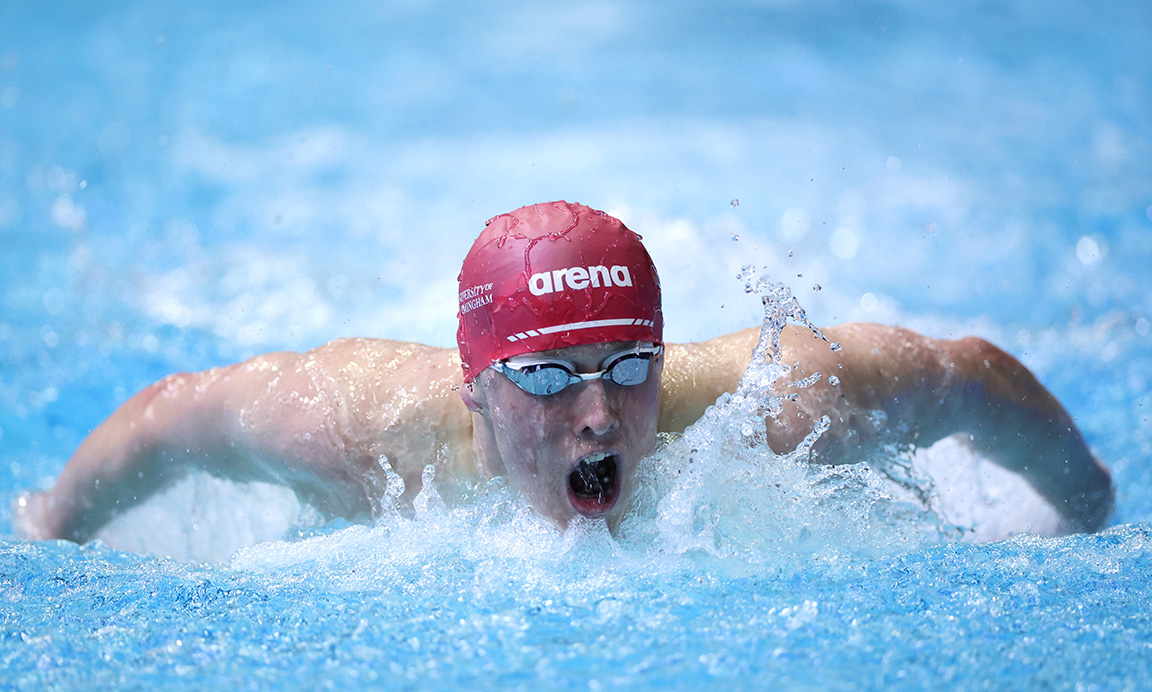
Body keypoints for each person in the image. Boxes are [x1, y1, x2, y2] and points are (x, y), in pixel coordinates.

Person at [17, 201, 1114, 542]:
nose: (598, 416)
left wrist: (1089, 515)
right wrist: (48, 528)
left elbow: (970, 373)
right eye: (547, 377)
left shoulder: (764, 409)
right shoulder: (349, 426)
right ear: (476, 385)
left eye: (629, 364)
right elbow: (167, 420)